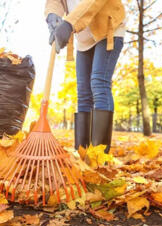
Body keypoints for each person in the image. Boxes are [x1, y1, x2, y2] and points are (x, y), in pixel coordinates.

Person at [45, 0, 125, 153]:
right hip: (83, 38)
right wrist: (52, 14)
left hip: (108, 28)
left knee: (99, 83)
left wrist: (68, 24)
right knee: (83, 93)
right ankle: (82, 153)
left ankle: (99, 156)